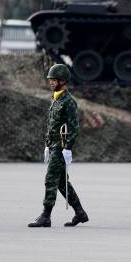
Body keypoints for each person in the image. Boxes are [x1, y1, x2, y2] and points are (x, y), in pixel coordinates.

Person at [29, 64, 89, 228]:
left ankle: (45, 216)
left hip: (61, 147)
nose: (50, 82)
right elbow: (52, 125)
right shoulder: (56, 99)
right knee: (62, 182)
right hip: (53, 145)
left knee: (51, 180)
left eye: (53, 80)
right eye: (50, 79)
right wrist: (47, 145)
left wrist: (68, 148)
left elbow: (74, 127)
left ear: (62, 81)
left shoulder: (69, 102)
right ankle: (80, 212)